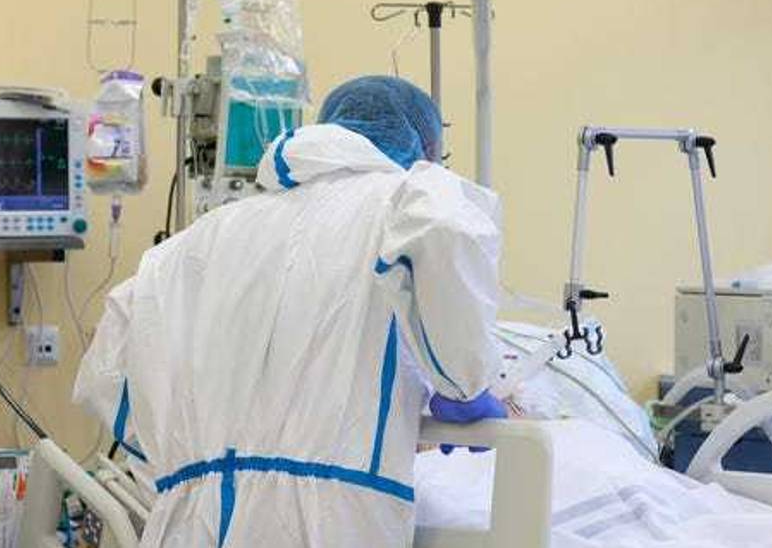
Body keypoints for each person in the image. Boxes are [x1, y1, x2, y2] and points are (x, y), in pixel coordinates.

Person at [74, 75, 506, 546]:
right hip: (328, 520)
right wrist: (462, 383)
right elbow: (448, 229)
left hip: (190, 519)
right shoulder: (405, 197)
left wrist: (181, 465)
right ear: (424, 148)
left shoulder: (198, 239)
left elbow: (107, 369)